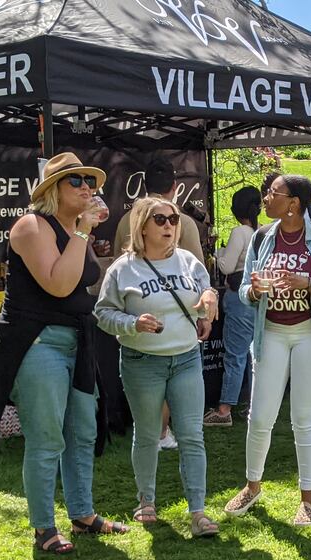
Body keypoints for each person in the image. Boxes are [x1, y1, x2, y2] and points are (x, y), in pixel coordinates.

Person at [0, 152, 127, 555]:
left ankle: (82, 513)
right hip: (36, 343)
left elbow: (82, 281)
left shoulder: (75, 229)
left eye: (89, 181)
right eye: (75, 181)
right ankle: (43, 528)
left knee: (83, 431)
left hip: (76, 341)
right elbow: (59, 284)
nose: (86, 188)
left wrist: (83, 232)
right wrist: (82, 233)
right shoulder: (30, 226)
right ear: (51, 191)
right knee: (46, 439)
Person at [224, 174, 311, 526]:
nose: (266, 198)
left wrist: (310, 285)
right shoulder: (262, 237)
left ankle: (307, 499)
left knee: (303, 418)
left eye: (273, 193)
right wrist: (255, 291)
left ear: (294, 203)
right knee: (260, 415)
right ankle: (252, 486)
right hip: (272, 334)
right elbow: (245, 292)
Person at [95, 196, 220, 537]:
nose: (169, 226)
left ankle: (198, 512)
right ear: (143, 226)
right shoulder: (123, 268)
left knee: (192, 436)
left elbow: (205, 290)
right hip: (141, 362)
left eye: (174, 219)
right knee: (149, 434)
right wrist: (133, 323)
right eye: (161, 220)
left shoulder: (188, 261)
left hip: (185, 358)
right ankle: (146, 501)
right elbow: (103, 314)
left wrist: (209, 299)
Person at [114, 157, 203, 450]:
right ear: (175, 188)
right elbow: (199, 274)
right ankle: (161, 432)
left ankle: (153, 430)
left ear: (143, 184)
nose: (167, 226)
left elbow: (117, 265)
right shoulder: (185, 222)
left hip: (136, 325)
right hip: (169, 324)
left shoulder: (125, 221)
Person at [204, 186, 260, 426]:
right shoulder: (260, 232)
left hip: (238, 298)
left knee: (235, 355)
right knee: (250, 355)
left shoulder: (240, 231)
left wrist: (215, 250)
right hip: (255, 297)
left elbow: (226, 266)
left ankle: (224, 409)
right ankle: (250, 402)